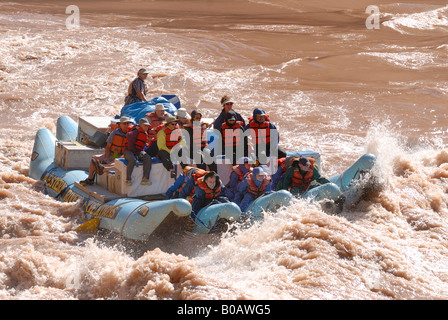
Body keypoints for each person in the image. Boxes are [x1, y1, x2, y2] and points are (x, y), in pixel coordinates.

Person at [80, 116, 133, 186]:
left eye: (127, 124)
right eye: (124, 124)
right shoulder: (114, 133)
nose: (126, 125)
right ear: (120, 125)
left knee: (112, 164)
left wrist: (114, 160)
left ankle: (103, 168)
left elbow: (128, 151)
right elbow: (108, 147)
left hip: (122, 156)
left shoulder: (130, 135)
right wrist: (107, 158)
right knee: (94, 158)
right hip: (112, 153)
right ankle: (90, 178)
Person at [124, 118, 153, 186]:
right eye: (145, 125)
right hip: (128, 151)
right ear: (140, 125)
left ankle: (145, 179)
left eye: (148, 126)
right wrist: (134, 153)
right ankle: (128, 179)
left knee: (148, 158)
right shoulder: (134, 132)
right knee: (132, 160)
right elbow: (130, 143)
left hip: (138, 151)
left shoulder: (144, 133)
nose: (147, 127)